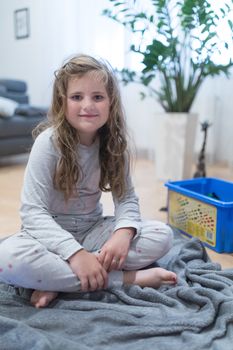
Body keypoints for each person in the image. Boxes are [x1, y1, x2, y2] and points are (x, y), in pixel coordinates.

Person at [0, 54, 177, 308]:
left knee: (162, 235)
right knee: (7, 258)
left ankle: (56, 281)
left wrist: (123, 234)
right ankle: (123, 278)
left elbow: (126, 199)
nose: (88, 105)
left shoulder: (114, 145)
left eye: (97, 97)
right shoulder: (48, 143)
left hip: (92, 229)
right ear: (63, 102)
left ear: (110, 102)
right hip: (47, 237)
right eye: (77, 97)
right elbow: (32, 212)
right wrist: (74, 254)